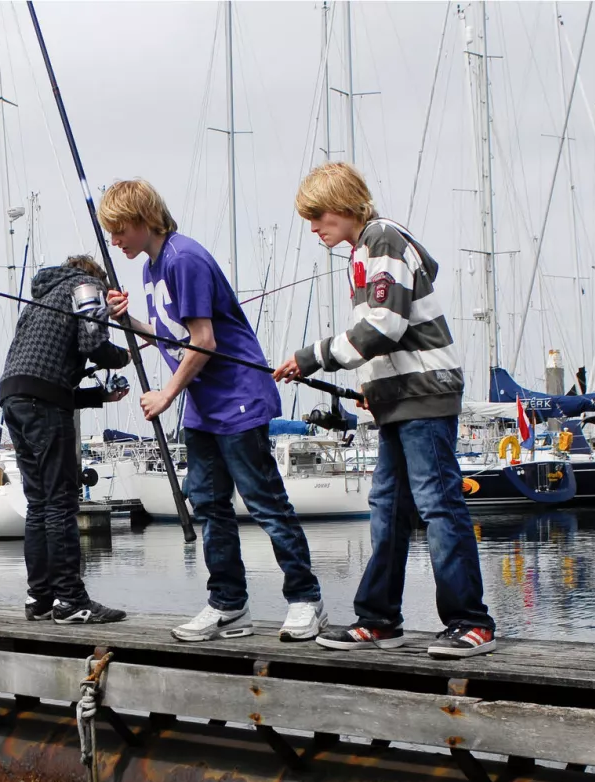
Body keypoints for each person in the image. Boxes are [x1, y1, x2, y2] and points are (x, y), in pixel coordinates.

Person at [276, 161, 495, 658]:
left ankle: (471, 622)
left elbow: (383, 327)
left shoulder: (383, 240)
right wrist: (373, 392)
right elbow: (380, 339)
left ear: (344, 204)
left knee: (438, 505)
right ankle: (378, 619)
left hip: (424, 395)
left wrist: (309, 357)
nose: (314, 228)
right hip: (398, 401)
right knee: (387, 511)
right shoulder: (366, 251)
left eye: (318, 216)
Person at [99, 178, 325, 642]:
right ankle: (228, 603)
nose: (114, 240)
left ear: (143, 220)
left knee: (264, 501)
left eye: (119, 229)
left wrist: (165, 395)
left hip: (237, 397)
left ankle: (306, 600)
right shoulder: (151, 268)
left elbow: (204, 342)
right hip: (204, 405)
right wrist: (128, 321)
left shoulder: (184, 259)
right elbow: (171, 335)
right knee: (207, 501)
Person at [0, 254, 131, 625]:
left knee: (39, 503)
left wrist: (98, 397)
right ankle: (71, 600)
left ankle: (40, 598)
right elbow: (93, 344)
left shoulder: (41, 299)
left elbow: (48, 375)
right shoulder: (86, 287)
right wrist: (123, 356)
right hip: (42, 401)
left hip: (13, 396)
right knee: (60, 503)